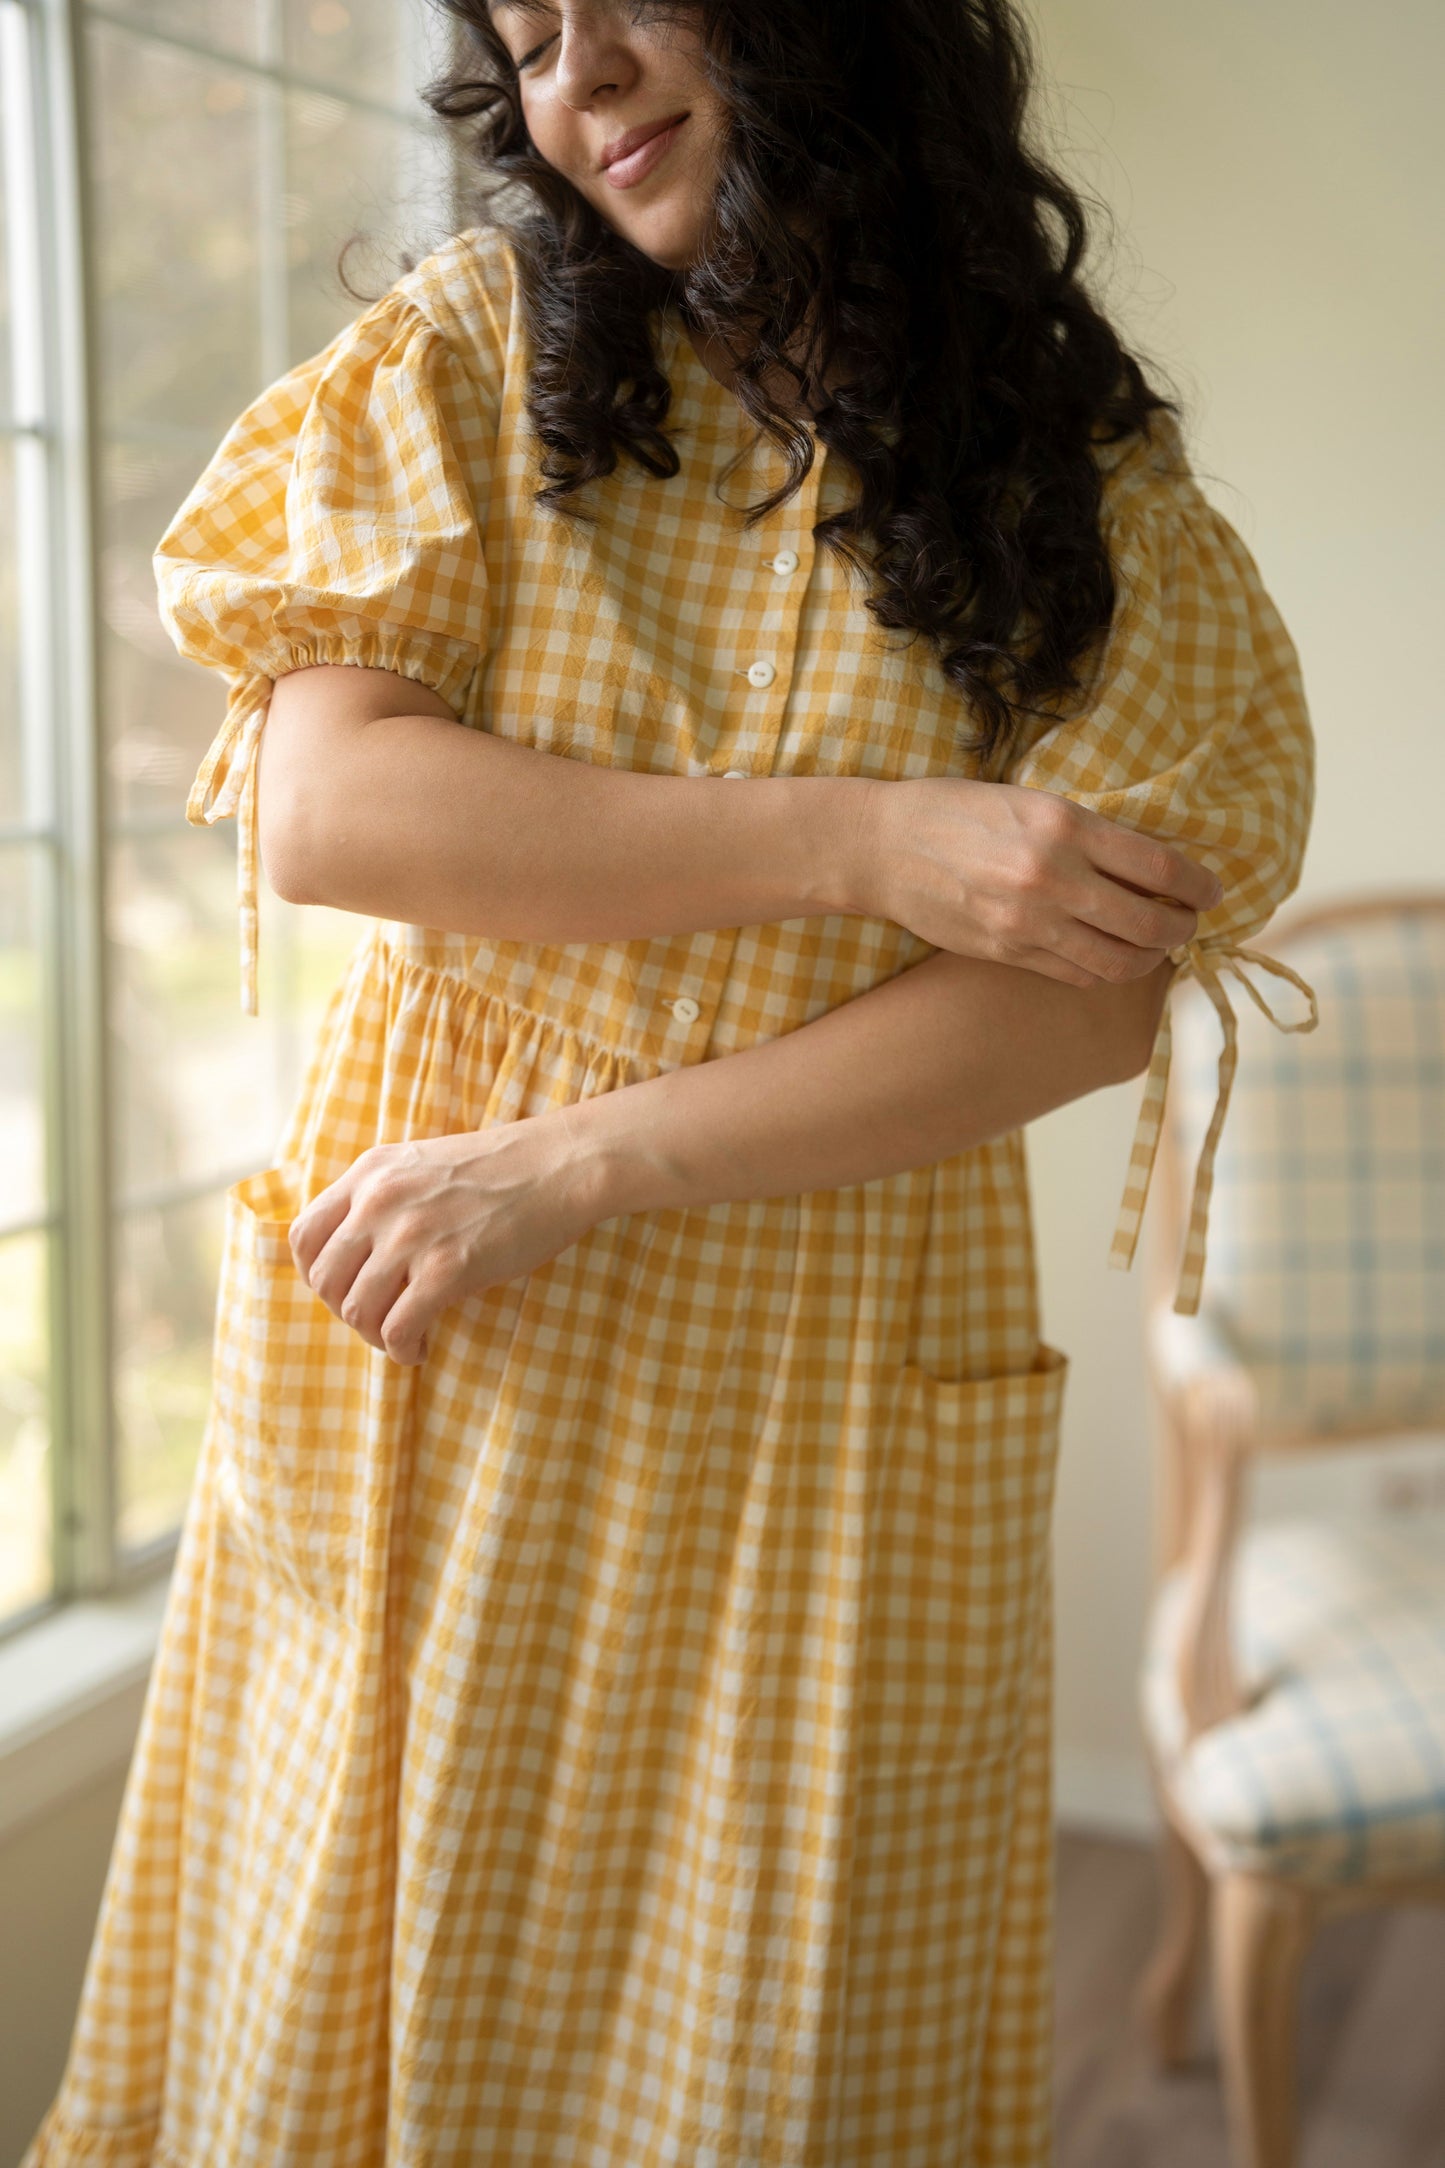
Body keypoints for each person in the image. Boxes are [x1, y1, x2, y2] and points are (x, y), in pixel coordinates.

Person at [23, 2, 1315, 2161]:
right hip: (447, 1341)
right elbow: (330, 815)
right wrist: (867, 839)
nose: (578, 78)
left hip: (819, 1362)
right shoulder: (466, 356)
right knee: (345, 1995)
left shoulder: (1085, 492)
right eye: (527, 38)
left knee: (768, 2052)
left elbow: (1088, 995)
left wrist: (575, 1162)